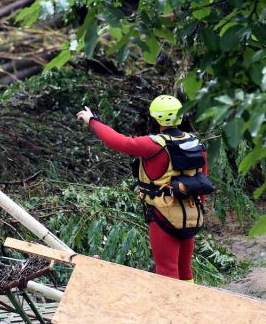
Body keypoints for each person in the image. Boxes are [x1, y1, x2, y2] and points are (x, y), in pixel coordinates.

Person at [76, 95, 212, 282]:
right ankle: (190, 308)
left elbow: (118, 141)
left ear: (155, 118)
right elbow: (202, 181)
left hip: (163, 216)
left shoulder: (152, 144)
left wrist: (92, 120)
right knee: (185, 270)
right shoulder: (195, 143)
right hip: (191, 215)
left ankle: (170, 310)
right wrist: (198, 211)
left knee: (167, 271)